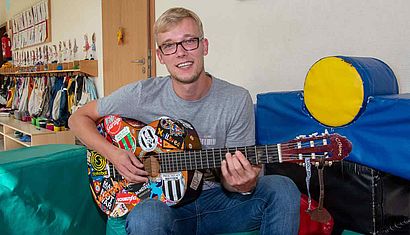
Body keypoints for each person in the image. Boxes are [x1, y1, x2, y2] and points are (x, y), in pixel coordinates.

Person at [68, 7, 300, 235]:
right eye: (169, 45)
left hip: (220, 204)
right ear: (160, 56)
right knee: (147, 215)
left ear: (204, 46)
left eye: (189, 41)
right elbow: (78, 119)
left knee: (282, 188)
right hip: (165, 210)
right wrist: (114, 154)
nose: (181, 53)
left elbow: (234, 185)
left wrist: (243, 183)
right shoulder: (142, 95)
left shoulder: (236, 99)